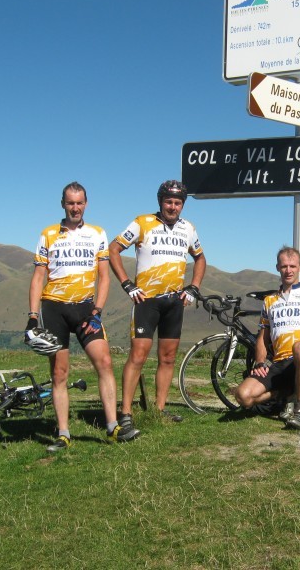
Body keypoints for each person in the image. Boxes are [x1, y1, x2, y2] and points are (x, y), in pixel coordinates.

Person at [26, 181, 139, 452]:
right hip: (54, 308)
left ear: (85, 204)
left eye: (79, 203)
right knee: (60, 373)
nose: (75, 208)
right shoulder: (48, 234)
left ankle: (113, 427)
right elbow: (38, 277)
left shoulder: (97, 233)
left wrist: (97, 311)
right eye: (70, 203)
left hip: (86, 309)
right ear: (62, 204)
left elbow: (104, 276)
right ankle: (63, 433)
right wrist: (32, 317)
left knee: (105, 362)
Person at [109, 180, 206, 429]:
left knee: (168, 358)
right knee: (138, 356)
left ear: (182, 205)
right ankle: (126, 413)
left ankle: (158, 410)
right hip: (146, 301)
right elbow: (114, 249)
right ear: (160, 201)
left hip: (174, 301)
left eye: (177, 203)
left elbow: (200, 257)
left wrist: (194, 287)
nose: (173, 207)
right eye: (168, 202)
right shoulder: (142, 222)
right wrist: (127, 284)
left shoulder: (188, 228)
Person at [234, 246, 300, 430]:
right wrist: (259, 363)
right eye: (284, 266)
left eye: (292, 266)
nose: (288, 270)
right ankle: (284, 394)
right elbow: (263, 337)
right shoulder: (270, 301)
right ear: (277, 268)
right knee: (243, 395)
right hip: (279, 363)